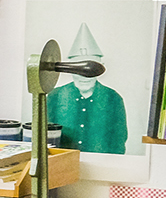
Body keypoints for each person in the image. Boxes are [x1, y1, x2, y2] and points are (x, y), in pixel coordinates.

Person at [44, 24, 129, 154]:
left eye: (90, 70)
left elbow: (119, 141)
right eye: (78, 70)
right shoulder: (55, 96)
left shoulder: (113, 98)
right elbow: (44, 136)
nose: (84, 76)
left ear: (102, 68)